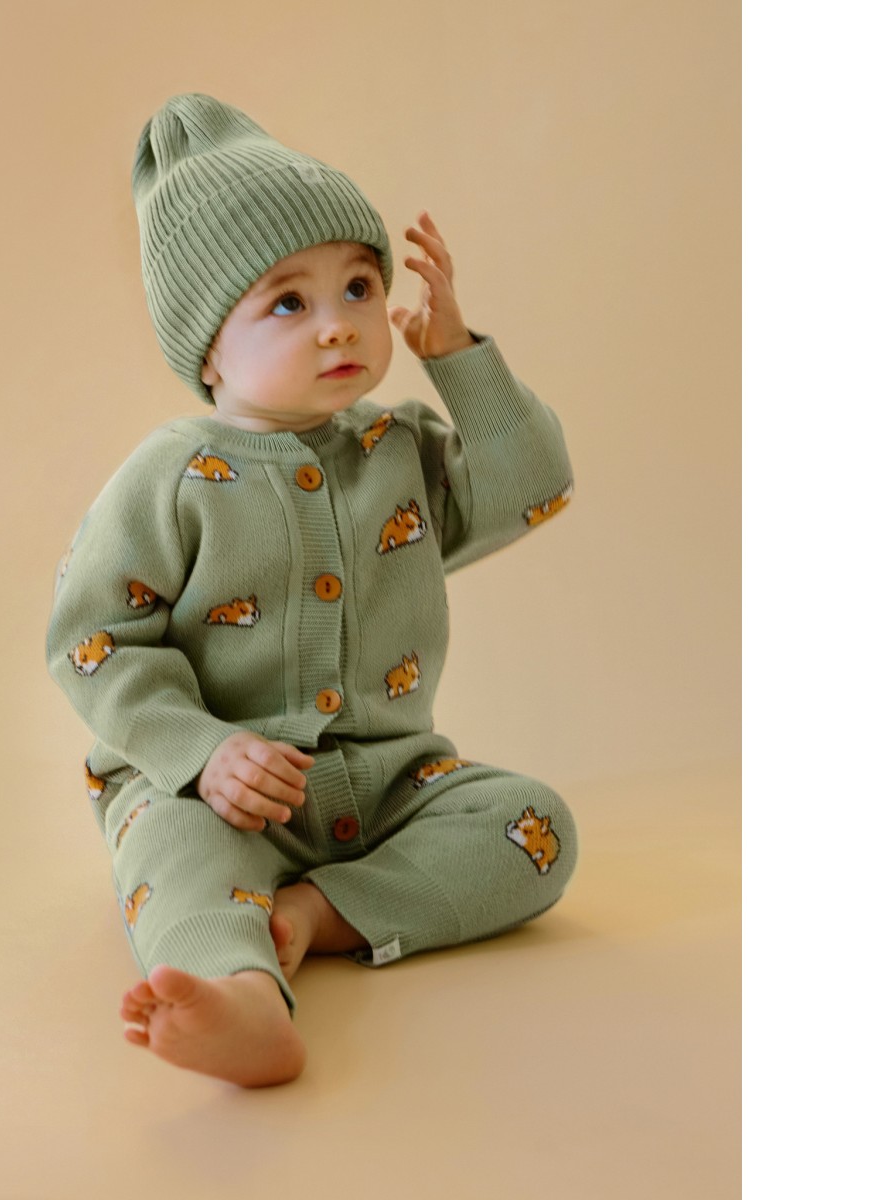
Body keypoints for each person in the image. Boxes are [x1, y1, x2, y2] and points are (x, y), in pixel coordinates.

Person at [46, 93, 578, 1087]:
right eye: (289, 303)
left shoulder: (398, 449)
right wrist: (202, 754)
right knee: (179, 858)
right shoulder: (169, 476)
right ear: (210, 347)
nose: (340, 327)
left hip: (389, 785)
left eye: (361, 287)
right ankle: (241, 999)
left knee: (532, 826)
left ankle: (315, 915)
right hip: (213, 792)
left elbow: (533, 489)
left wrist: (459, 359)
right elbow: (93, 640)